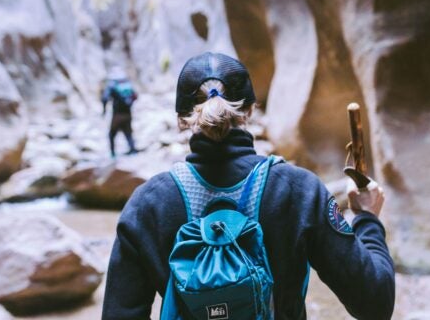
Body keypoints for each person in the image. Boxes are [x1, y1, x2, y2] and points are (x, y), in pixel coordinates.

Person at [102, 52, 395, 319]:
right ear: (251, 110)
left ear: (181, 120)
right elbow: (375, 305)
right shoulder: (298, 190)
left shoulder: (148, 205)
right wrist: (367, 219)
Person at [101, 69, 138, 157]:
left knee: (112, 134)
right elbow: (135, 96)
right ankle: (132, 150)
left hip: (117, 114)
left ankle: (113, 153)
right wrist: (129, 103)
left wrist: (104, 110)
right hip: (128, 113)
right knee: (128, 132)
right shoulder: (126, 84)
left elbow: (105, 98)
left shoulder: (112, 85)